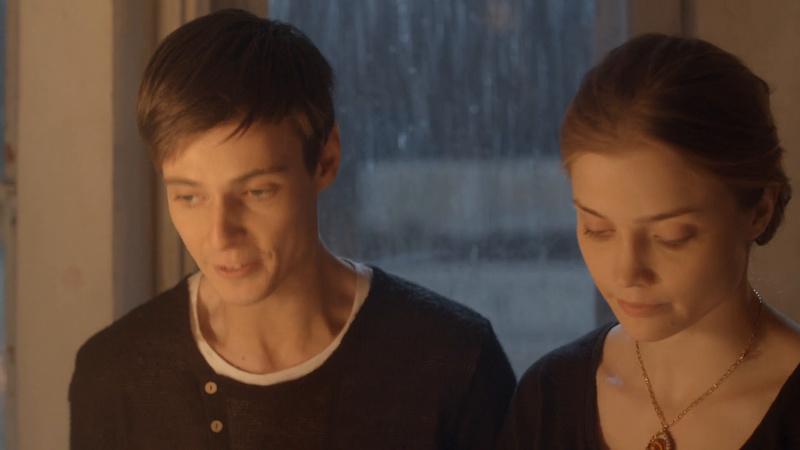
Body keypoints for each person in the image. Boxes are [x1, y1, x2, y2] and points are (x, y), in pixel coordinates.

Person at [69, 9, 515, 450]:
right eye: (189, 197)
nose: (220, 234)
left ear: (326, 160)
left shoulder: (452, 363)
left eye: (256, 192)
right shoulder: (114, 376)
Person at [498, 33, 800, 450]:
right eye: (597, 229)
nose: (627, 272)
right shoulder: (550, 396)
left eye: (670, 237)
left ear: (759, 211)